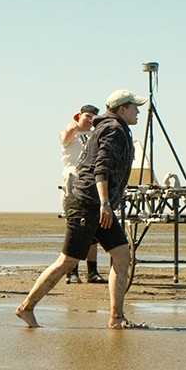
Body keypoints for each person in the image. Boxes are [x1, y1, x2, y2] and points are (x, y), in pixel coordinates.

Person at [18, 89, 143, 329]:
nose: (137, 111)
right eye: (133, 107)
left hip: (96, 204)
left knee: (121, 253)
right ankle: (26, 307)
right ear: (121, 109)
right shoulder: (113, 130)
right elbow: (101, 168)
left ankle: (116, 316)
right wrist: (105, 203)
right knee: (68, 261)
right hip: (88, 203)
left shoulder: (114, 129)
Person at [59, 105, 100, 283]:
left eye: (93, 117)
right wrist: (76, 124)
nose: (90, 120)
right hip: (74, 178)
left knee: (93, 228)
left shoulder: (95, 135)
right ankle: (72, 271)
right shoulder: (71, 133)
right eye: (87, 116)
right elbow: (67, 134)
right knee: (76, 226)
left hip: (91, 180)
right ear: (79, 115)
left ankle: (92, 271)